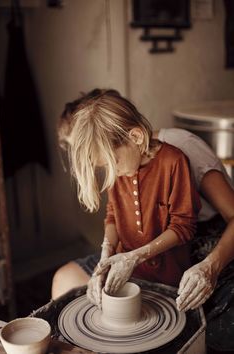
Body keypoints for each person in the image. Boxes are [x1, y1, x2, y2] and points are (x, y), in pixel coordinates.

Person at [53, 89, 234, 351]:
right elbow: (113, 214)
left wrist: (209, 268)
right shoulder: (121, 165)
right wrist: (106, 256)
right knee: (66, 282)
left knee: (211, 332)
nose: (109, 172)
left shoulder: (178, 154)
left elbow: (184, 225)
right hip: (135, 249)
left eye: (109, 161)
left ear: (135, 136)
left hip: (195, 242)